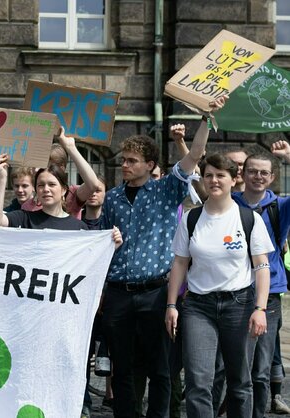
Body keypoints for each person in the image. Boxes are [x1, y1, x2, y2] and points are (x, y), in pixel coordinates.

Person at [101, 96, 224, 418]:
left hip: (156, 292)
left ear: (150, 165)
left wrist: (204, 119)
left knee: (160, 368)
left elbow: (196, 155)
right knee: (122, 368)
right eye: (123, 160)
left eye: (131, 160)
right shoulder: (112, 198)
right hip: (118, 291)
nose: (124, 165)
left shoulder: (167, 189)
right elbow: (99, 241)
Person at [165, 153, 272, 418]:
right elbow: (179, 263)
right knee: (198, 382)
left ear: (233, 179)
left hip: (239, 306)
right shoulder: (191, 219)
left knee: (239, 382)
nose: (214, 180)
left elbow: (261, 267)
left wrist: (260, 308)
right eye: (209, 175)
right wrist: (171, 305)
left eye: (221, 175)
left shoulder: (249, 219)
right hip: (198, 306)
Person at [236, 144, 290, 415]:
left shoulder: (279, 206)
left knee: (261, 368)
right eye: (253, 171)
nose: (258, 176)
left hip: (269, 294)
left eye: (264, 173)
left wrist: (289, 158)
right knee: (233, 366)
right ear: (243, 174)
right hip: (234, 289)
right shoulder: (230, 202)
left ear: (272, 178)